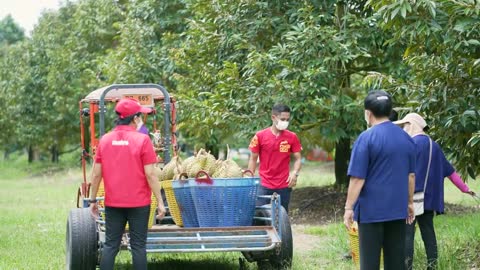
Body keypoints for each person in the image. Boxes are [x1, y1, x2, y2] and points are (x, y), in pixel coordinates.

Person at [89, 98, 166, 270]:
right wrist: (160, 202)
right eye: (140, 116)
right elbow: (151, 174)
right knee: (138, 247)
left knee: (110, 246)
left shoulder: (105, 140)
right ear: (135, 118)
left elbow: (96, 174)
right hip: (139, 204)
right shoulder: (143, 140)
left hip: (113, 203)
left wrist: (92, 200)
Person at [344, 90, 416, 270]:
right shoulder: (406, 138)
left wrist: (348, 208)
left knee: (370, 263)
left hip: (371, 212)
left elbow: (358, 178)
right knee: (396, 262)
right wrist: (409, 203)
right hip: (398, 210)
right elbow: (410, 176)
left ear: (368, 113)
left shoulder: (366, 138)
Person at [394, 113, 476, 270]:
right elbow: (450, 171)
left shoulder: (409, 145)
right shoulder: (434, 146)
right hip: (429, 200)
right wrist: (465, 189)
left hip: (411, 199)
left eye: (404, 125)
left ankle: (406, 267)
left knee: (407, 234)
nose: (403, 129)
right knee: (428, 233)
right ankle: (432, 266)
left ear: (412, 125)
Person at [248, 104, 302, 212]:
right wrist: (250, 179)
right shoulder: (260, 136)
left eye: (287, 119)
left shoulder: (292, 137)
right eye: (282, 119)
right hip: (264, 184)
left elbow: (298, 158)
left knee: (282, 216)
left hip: (284, 184)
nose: (285, 122)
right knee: (260, 216)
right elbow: (253, 159)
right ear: (273, 117)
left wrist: (295, 173)